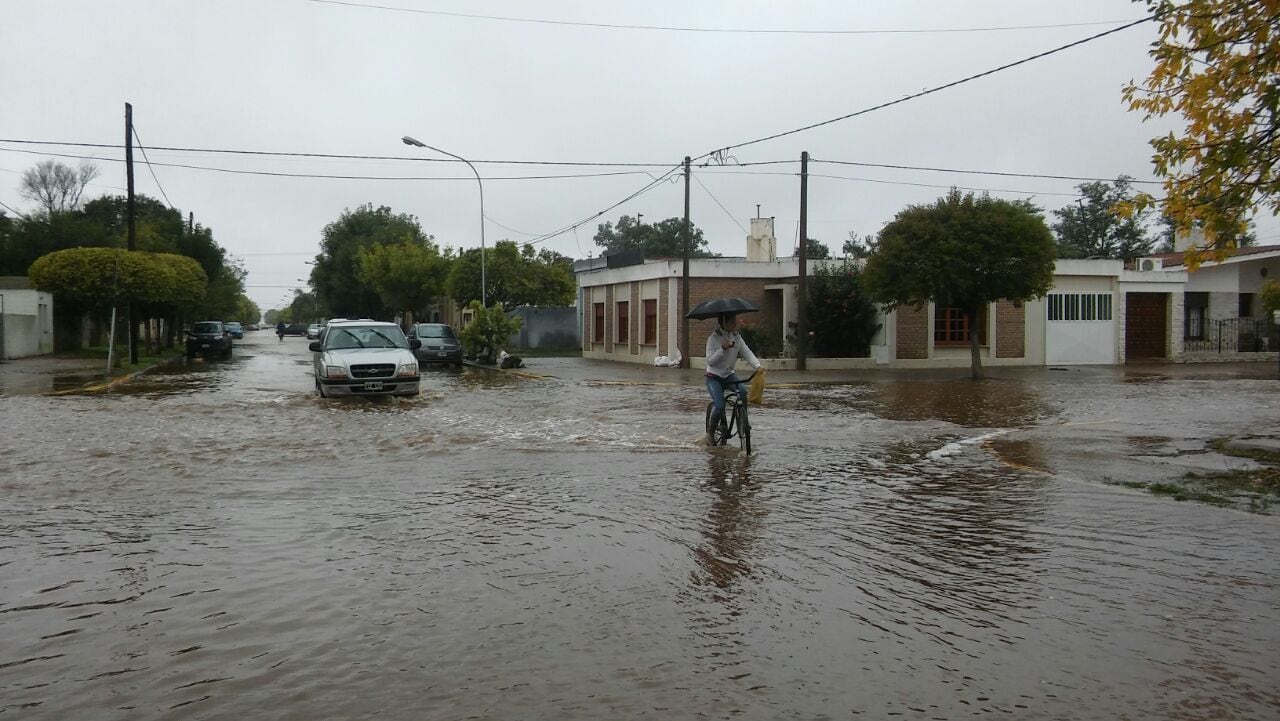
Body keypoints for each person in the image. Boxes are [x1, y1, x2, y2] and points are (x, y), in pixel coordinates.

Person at [704, 311, 761, 444]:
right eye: (732, 322)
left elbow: (746, 352)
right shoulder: (713, 338)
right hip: (714, 377)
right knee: (719, 406)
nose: (735, 324)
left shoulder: (737, 337)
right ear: (724, 322)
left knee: (742, 392)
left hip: (729, 374)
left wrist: (758, 366)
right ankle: (710, 433)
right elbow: (710, 361)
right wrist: (722, 349)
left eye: (735, 321)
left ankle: (742, 422)